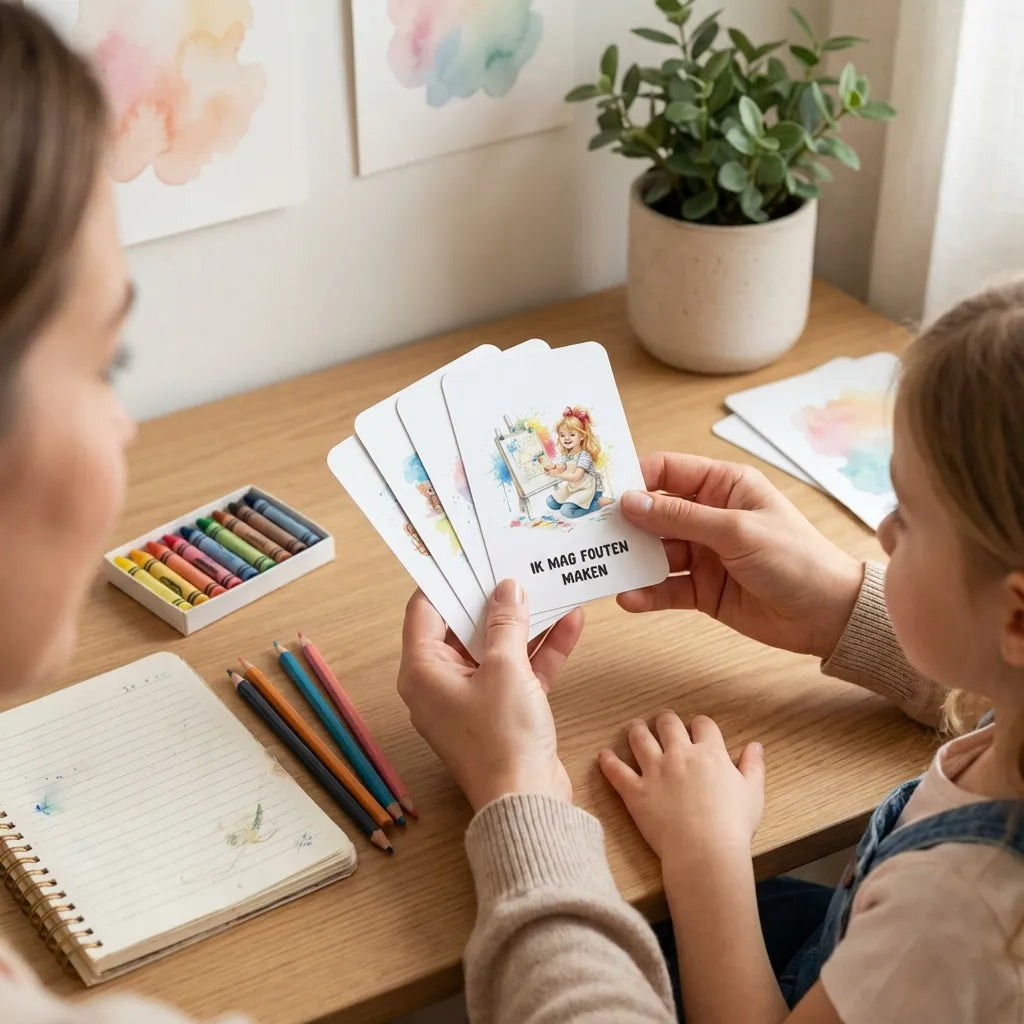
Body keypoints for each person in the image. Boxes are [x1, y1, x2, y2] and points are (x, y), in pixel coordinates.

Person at [399, 281, 1023, 1022]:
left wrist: (529, 791)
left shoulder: (962, 921)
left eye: (908, 519)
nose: (882, 534)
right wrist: (841, 608)